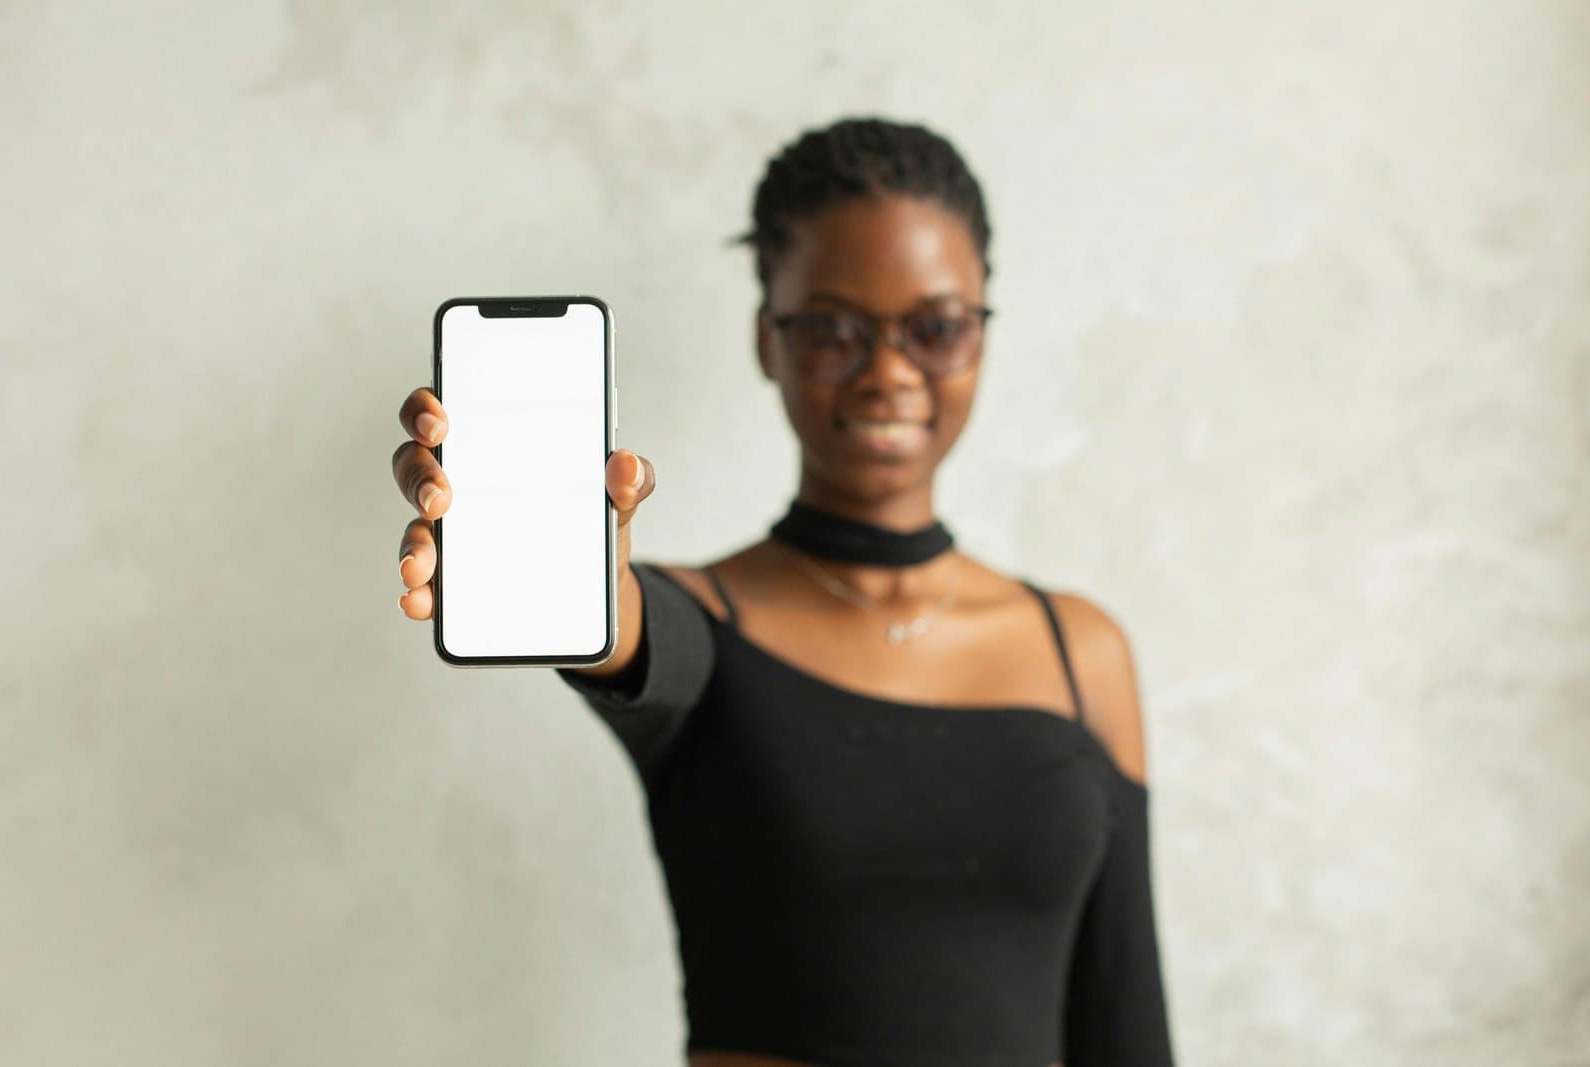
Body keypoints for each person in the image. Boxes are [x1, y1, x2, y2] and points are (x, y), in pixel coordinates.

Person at [393, 116, 1176, 1067]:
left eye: (935, 329)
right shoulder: (709, 624)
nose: (888, 372)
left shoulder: (1078, 649)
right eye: (833, 330)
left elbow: (1127, 1023)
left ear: (981, 333)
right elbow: (635, 640)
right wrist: (584, 575)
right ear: (769, 340)